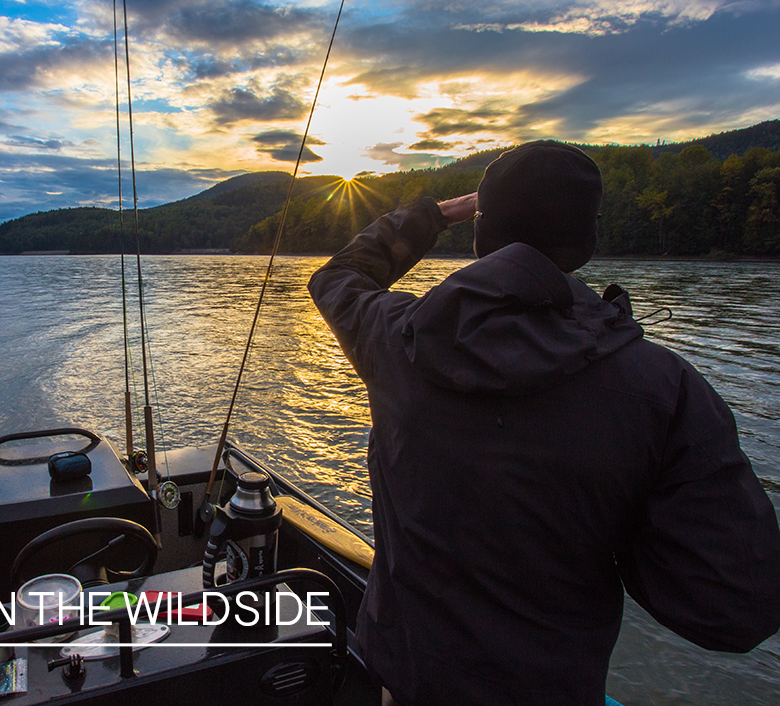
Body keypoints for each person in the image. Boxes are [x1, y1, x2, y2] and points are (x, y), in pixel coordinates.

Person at [307, 140, 780, 706]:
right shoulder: (662, 387)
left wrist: (439, 213)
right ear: (589, 240)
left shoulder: (394, 336)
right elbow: (737, 610)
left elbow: (340, 274)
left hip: (405, 682)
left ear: (481, 233)